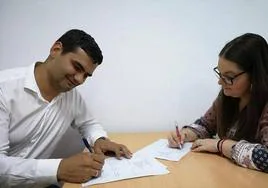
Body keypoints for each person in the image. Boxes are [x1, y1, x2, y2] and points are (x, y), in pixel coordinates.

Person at [0, 29, 132, 187]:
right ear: (56, 49)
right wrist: (59, 169)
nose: (79, 79)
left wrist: (99, 140)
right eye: (77, 67)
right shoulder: (4, 89)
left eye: (86, 75)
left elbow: (88, 123)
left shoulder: (71, 95)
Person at [168, 33, 268, 173]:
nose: (220, 82)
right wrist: (186, 133)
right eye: (220, 74)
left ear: (255, 75)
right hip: (227, 174)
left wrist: (221, 145)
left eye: (229, 77)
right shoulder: (228, 96)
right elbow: (205, 125)